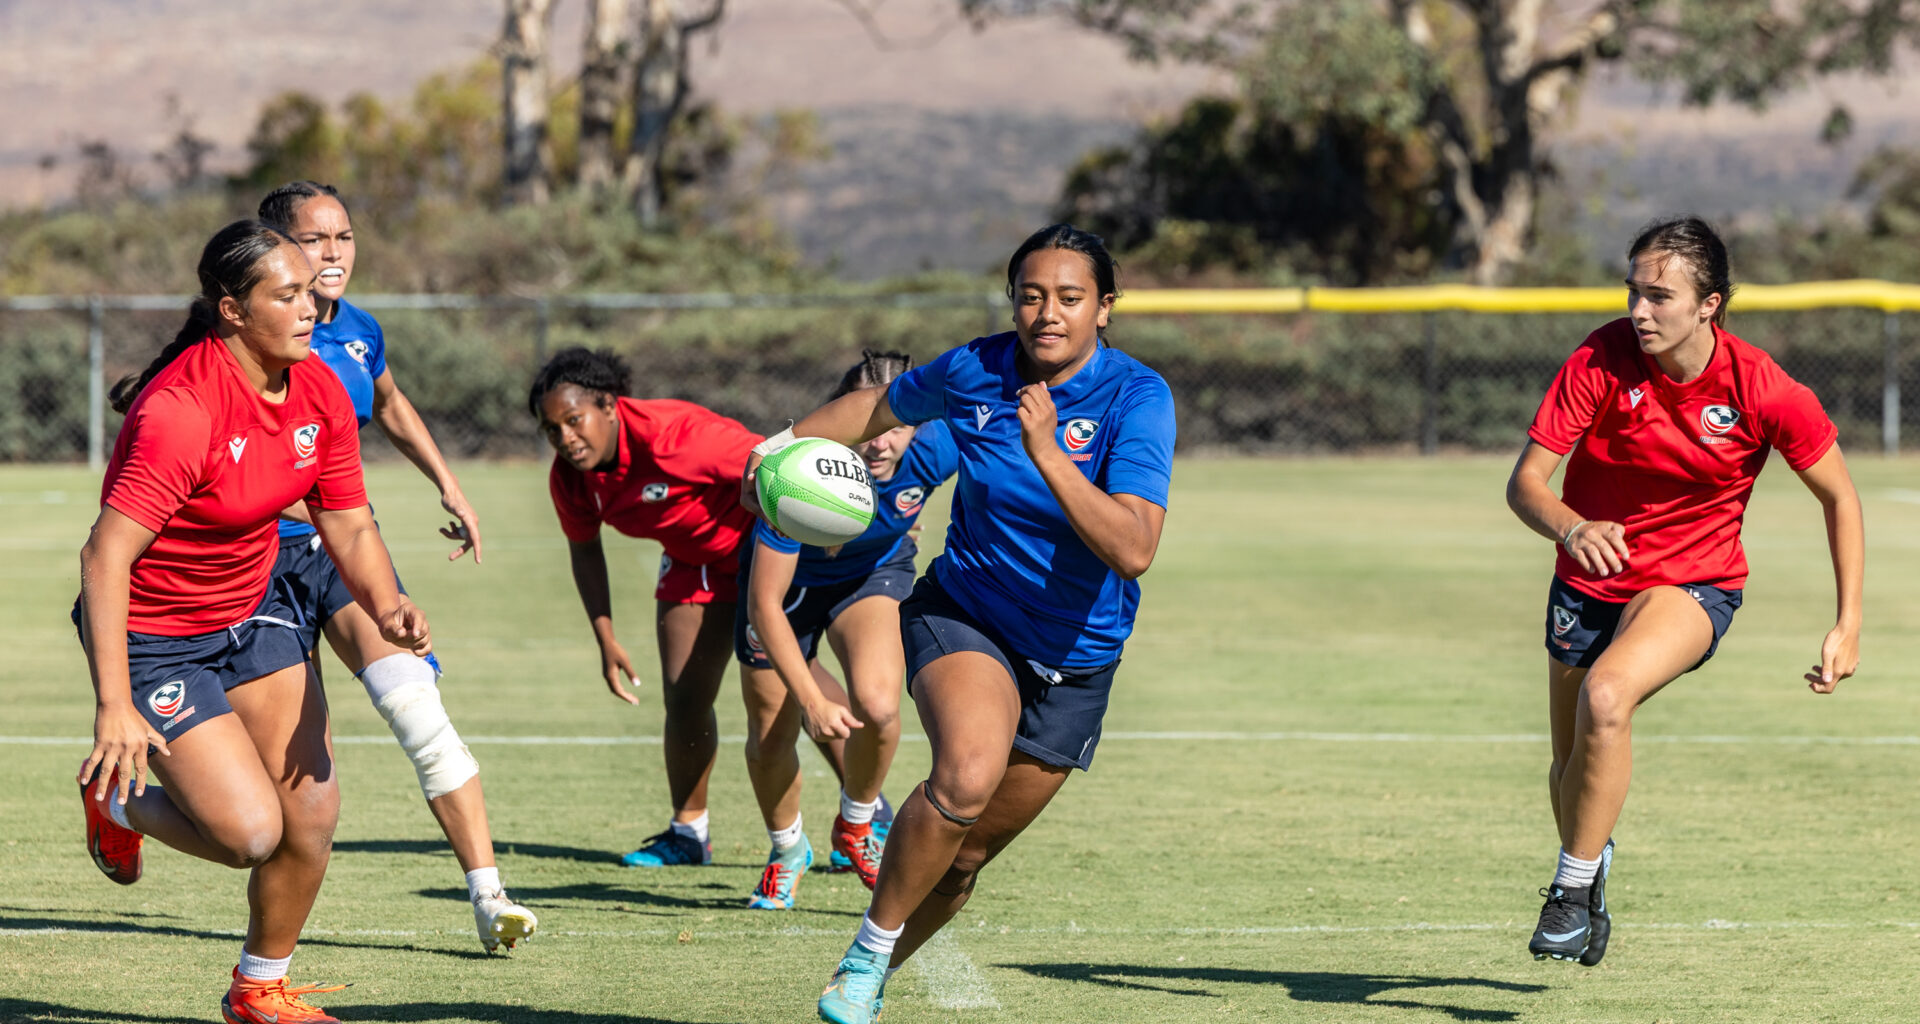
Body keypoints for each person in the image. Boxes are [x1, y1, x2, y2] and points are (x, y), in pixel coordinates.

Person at [741, 224, 1175, 1024]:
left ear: (1105, 309)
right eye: (1031, 296)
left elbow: (1134, 548)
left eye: (1070, 298)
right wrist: (778, 450)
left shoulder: (1137, 398)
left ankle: (865, 973)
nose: (1047, 313)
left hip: (1079, 659)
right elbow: (875, 406)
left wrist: (1048, 452)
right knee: (965, 775)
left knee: (965, 859)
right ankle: (871, 954)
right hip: (966, 613)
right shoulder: (976, 368)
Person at [76, 219, 431, 1024]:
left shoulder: (317, 390)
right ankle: (115, 801)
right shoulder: (182, 412)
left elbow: (346, 521)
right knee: (248, 836)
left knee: (311, 813)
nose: (311, 309)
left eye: (311, 292)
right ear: (232, 311)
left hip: (255, 607)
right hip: (156, 638)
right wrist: (114, 706)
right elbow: (104, 559)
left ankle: (258, 990)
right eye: (287, 295)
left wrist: (387, 605)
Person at [1507, 216, 1863, 966]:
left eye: (1660, 296)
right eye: (1634, 291)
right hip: (1587, 580)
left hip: (1693, 584)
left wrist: (1848, 621)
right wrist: (1573, 527)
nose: (1640, 311)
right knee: (1570, 767)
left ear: (1710, 304)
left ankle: (1569, 891)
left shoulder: (1763, 388)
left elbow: (1840, 497)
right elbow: (1526, 484)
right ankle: (1591, 868)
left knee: (1608, 696)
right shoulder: (1599, 358)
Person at [256, 180, 535, 953]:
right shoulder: (245, 336)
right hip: (252, 563)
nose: (334, 252)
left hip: (343, 550)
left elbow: (393, 401)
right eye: (315, 239)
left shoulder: (359, 331)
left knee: (420, 713)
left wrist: (450, 485)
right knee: (278, 795)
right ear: (277, 248)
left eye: (344, 236)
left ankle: (490, 899)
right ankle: (131, 811)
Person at [532, 347, 869, 866]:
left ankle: (868, 817)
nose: (566, 439)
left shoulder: (680, 436)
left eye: (573, 421)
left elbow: (775, 466)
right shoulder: (571, 478)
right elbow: (584, 549)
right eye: (553, 430)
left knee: (794, 681)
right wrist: (605, 636)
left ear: (608, 405)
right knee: (684, 698)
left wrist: (814, 535)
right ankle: (688, 834)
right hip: (692, 565)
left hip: (758, 554)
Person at [738, 351, 958, 910]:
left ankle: (856, 826)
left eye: (898, 425)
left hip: (871, 574)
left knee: (880, 707)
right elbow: (765, 606)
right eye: (872, 425)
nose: (881, 442)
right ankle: (787, 850)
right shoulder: (800, 469)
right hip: (786, 590)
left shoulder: (936, 449)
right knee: (770, 736)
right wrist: (810, 698)